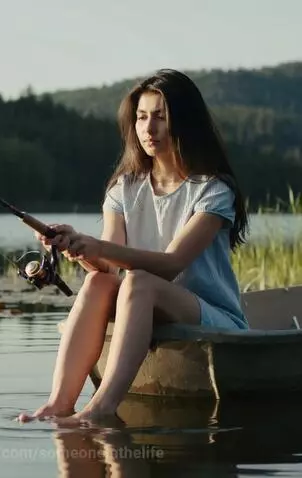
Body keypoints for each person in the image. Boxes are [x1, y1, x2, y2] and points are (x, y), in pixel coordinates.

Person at [17, 68, 249, 426]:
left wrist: (95, 246)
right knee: (98, 283)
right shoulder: (124, 188)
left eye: (160, 117)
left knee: (139, 281)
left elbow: (172, 265)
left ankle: (102, 407)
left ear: (184, 122)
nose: (148, 128)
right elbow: (107, 266)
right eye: (141, 117)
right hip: (147, 305)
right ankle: (58, 403)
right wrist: (76, 246)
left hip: (212, 317)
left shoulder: (214, 190)